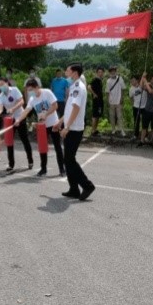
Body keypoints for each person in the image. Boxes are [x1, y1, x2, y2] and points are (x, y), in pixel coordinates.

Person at [54, 62, 95, 201]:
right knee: (68, 160)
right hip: (70, 127)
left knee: (69, 160)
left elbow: (76, 108)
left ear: (75, 72)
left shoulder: (79, 87)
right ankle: (74, 189)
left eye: (67, 70)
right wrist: (60, 121)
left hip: (74, 129)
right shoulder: (73, 87)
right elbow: (69, 109)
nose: (66, 72)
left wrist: (67, 127)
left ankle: (87, 186)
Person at [15, 79, 65, 177]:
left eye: (31, 90)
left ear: (37, 87)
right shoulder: (32, 99)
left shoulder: (47, 93)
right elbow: (26, 111)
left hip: (53, 124)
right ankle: (43, 169)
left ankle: (62, 169)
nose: (30, 92)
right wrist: (18, 120)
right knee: (42, 147)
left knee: (57, 147)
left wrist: (46, 114)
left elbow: (55, 106)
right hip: (42, 126)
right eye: (28, 91)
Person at [0, 77, 34, 172]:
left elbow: (21, 101)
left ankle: (30, 161)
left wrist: (13, 109)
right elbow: (0, 107)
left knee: (24, 139)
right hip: (10, 120)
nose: (1, 86)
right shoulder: (0, 96)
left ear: (7, 83)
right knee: (9, 141)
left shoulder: (15, 90)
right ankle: (11, 164)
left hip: (20, 117)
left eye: (2, 84)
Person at [106, 66, 126, 136]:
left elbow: (123, 89)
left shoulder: (120, 79)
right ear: (110, 72)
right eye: (111, 71)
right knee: (112, 116)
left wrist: (122, 98)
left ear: (115, 71)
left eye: (114, 71)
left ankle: (121, 130)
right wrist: (108, 100)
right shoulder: (108, 81)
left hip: (118, 101)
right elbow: (107, 92)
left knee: (119, 116)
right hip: (111, 101)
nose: (113, 72)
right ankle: (113, 129)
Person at [129, 75, 147, 140]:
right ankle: (135, 135)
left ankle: (145, 135)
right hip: (136, 107)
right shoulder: (131, 89)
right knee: (136, 121)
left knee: (145, 122)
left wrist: (143, 77)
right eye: (131, 81)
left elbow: (144, 88)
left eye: (133, 80)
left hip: (144, 106)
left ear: (137, 80)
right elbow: (131, 98)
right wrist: (133, 105)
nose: (132, 82)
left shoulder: (142, 86)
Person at [88, 67, 104, 136]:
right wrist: (94, 94)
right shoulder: (95, 80)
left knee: (98, 115)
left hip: (100, 100)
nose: (100, 73)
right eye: (99, 72)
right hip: (96, 101)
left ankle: (95, 130)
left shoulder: (100, 80)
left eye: (101, 72)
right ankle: (92, 131)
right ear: (97, 73)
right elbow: (89, 87)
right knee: (95, 115)